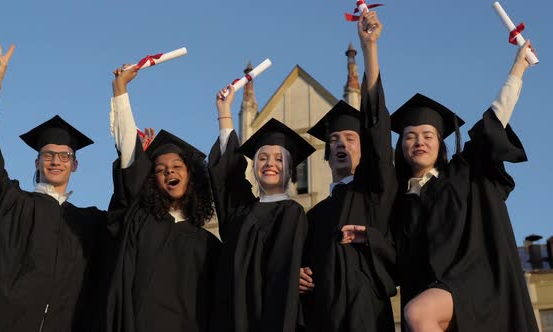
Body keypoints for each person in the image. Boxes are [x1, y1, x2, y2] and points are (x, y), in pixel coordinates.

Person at [390, 41, 539, 331]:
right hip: (438, 294)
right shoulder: (401, 202)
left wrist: (517, 68)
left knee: (418, 313)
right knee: (417, 314)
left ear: (440, 143)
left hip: (478, 285)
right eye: (410, 136)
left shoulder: (463, 171)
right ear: (400, 147)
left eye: (427, 135)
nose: (419, 141)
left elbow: (494, 122)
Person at [0, 39, 107, 331]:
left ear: (75, 164)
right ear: (37, 162)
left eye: (64, 156)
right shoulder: (11, 204)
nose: (56, 161)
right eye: (48, 155)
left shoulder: (90, 223)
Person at [105, 65, 221, 332]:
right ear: (151, 181)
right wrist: (120, 90)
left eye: (178, 166)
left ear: (192, 177)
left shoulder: (209, 245)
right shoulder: (140, 222)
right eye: (159, 168)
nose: (169, 170)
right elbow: (129, 158)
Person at [301, 11, 397, 332]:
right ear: (327, 155)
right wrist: (296, 276)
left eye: (351, 138)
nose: (342, 144)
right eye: (335, 140)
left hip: (367, 316)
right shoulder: (313, 217)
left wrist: (369, 48)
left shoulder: (374, 189)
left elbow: (378, 130)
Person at [208, 85, 315, 332]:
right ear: (255, 166)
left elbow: (282, 278)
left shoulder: (291, 212)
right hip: (229, 316)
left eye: (279, 159)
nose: (270, 163)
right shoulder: (240, 211)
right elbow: (227, 176)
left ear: (290, 170)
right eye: (263, 157)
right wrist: (224, 111)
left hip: (267, 318)